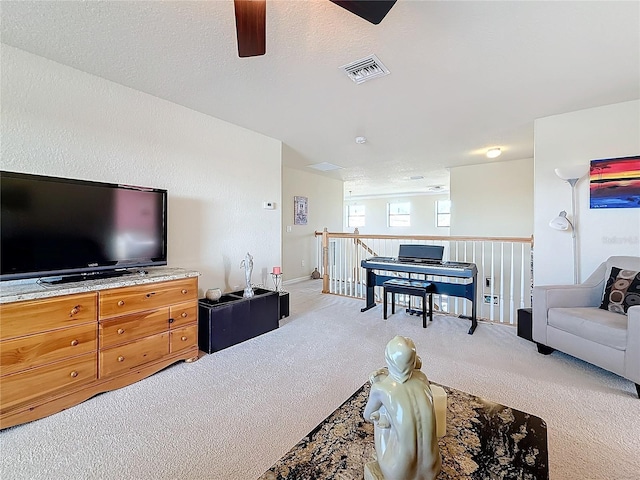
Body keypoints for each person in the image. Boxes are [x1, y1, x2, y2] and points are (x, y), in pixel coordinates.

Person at [363, 336, 441, 480]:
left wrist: (380, 381)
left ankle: (386, 461)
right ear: (414, 360)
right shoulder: (423, 378)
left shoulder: (380, 389)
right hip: (433, 467)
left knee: (379, 413)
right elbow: (409, 376)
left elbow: (367, 416)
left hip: (397, 475)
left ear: (388, 359)